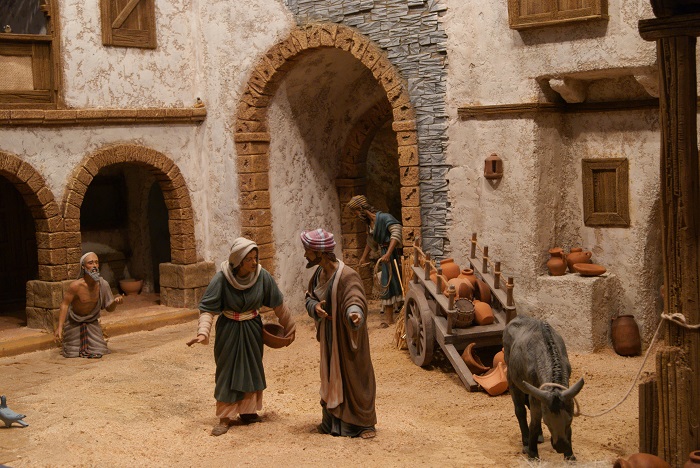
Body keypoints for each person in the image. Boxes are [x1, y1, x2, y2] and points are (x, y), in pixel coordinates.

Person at [187, 237, 295, 436]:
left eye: (255, 258)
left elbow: (278, 304)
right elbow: (207, 309)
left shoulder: (262, 276)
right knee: (227, 372)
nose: (254, 263)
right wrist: (203, 333)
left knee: (251, 369)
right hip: (229, 331)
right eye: (249, 259)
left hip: (252, 329)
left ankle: (248, 411)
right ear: (237, 261)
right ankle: (225, 417)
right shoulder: (222, 279)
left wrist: (290, 327)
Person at [301, 228, 377, 439]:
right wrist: (315, 307)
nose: (305, 254)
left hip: (345, 334)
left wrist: (354, 313)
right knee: (330, 375)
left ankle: (363, 424)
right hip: (329, 334)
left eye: (308, 250)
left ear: (321, 253)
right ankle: (332, 422)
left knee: (354, 375)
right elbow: (310, 297)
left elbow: (355, 297)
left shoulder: (346, 275)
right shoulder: (318, 273)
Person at [346, 195, 404, 327]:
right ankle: (390, 318)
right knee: (386, 283)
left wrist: (388, 253)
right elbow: (370, 241)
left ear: (361, 208)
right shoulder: (370, 223)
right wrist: (363, 257)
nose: (356, 215)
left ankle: (391, 319)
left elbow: (396, 233)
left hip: (391, 255)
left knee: (388, 283)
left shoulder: (384, 218)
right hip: (384, 254)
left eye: (355, 211)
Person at [55, 252, 123, 358]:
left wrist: (115, 303)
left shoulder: (103, 285)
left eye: (96, 262)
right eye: (90, 263)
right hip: (74, 322)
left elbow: (109, 308)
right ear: (83, 266)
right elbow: (65, 304)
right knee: (71, 353)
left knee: (101, 350)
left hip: (92, 322)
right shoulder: (75, 286)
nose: (94, 266)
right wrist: (59, 327)